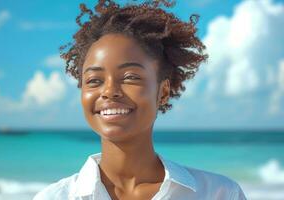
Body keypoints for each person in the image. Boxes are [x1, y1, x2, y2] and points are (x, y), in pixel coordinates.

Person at [33, 0, 247, 199]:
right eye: (94, 80)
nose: (109, 91)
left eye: (130, 77)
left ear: (163, 91)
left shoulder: (219, 194)